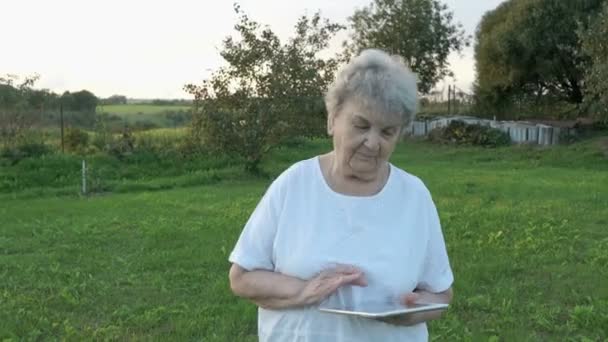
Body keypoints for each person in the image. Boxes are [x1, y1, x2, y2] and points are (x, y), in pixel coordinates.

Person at [228, 49, 454, 341]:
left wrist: (416, 310)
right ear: (332, 119)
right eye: (361, 125)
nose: (373, 143)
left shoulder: (414, 197)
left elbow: (441, 292)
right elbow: (242, 277)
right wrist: (303, 291)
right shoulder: (294, 184)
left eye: (387, 132)